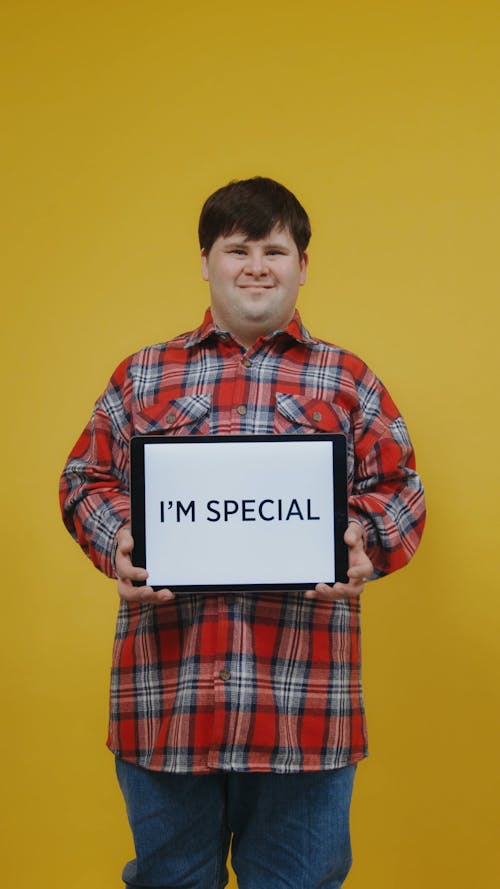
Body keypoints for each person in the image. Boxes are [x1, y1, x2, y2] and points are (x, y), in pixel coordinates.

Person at [60, 176, 425, 889]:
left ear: (302, 265)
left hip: (304, 708)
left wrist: (364, 541)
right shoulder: (142, 375)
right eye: (238, 248)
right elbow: (83, 479)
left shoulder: (348, 380)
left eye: (274, 249)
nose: (256, 264)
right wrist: (120, 542)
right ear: (205, 261)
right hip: (167, 702)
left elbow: (401, 488)